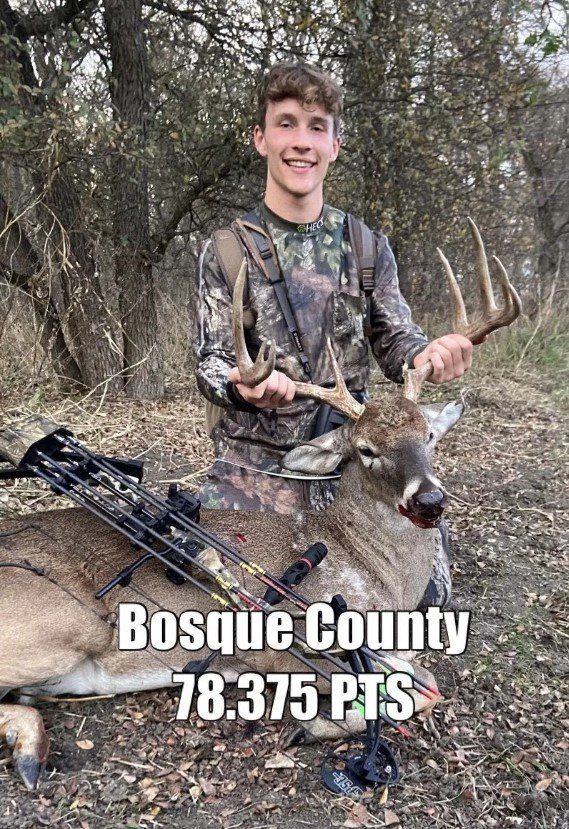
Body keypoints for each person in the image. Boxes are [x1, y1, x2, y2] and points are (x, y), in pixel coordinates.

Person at [194, 62, 473, 606]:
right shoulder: (225, 250)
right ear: (261, 138)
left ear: (335, 144)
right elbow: (208, 360)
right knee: (239, 600)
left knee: (426, 597)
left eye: (317, 126)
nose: (302, 142)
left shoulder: (367, 246)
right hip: (253, 469)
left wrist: (430, 355)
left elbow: (398, 344)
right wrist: (239, 383)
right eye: (287, 123)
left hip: (357, 460)